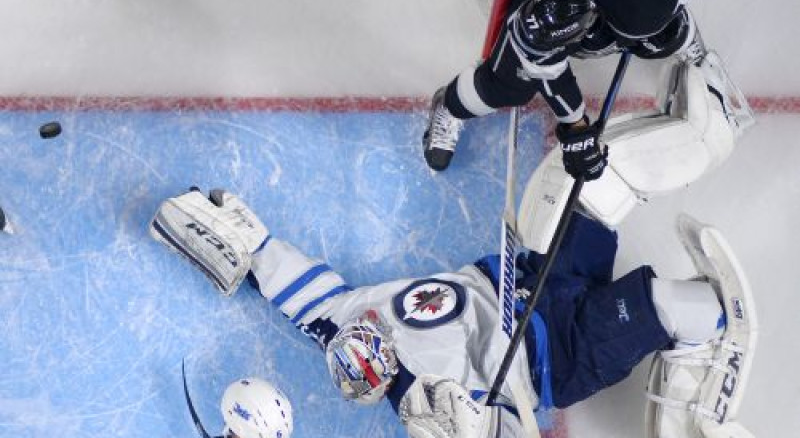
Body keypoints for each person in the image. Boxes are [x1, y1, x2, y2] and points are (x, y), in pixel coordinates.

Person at [151, 188, 757, 438]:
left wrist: (254, 248)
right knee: (688, 307)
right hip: (561, 353)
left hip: (524, 276)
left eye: (368, 334)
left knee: (600, 178)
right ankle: (701, 370)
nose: (373, 332)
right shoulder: (427, 405)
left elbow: (300, 294)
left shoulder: (343, 323)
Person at [422, 0, 709, 177]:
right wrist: (576, 127)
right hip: (556, 3)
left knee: (664, 35)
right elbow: (545, 60)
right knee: (510, 85)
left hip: (611, 8)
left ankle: (681, 39)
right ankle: (450, 106)